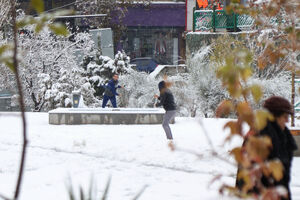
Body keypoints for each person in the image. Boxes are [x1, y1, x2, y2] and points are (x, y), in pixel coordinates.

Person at [236, 96, 298, 200]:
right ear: (274, 116)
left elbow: (283, 181)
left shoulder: (283, 137)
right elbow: (247, 179)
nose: (287, 121)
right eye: (284, 116)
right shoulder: (257, 138)